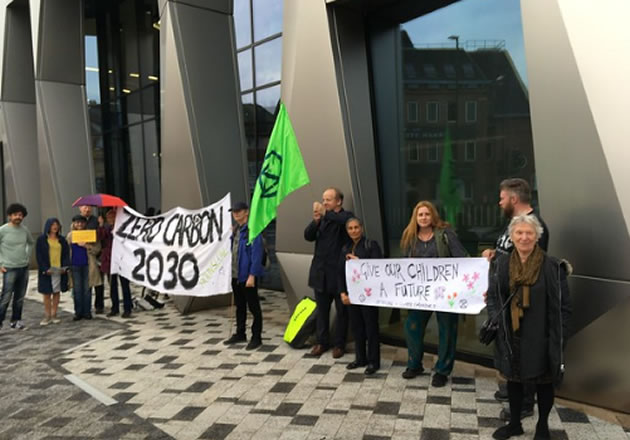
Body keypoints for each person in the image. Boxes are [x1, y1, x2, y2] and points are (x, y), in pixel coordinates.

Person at [488, 214, 571, 440]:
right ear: (512, 237)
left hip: (542, 335)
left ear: (537, 237)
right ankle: (515, 423)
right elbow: (494, 297)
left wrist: (558, 337)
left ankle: (542, 426)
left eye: (529, 233)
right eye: (519, 233)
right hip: (511, 334)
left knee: (544, 384)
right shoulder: (500, 264)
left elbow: (564, 307)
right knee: (513, 381)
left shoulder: (553, 267)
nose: (524, 237)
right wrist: (496, 319)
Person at [482, 178, 549, 419]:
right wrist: (493, 253)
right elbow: (506, 252)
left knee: (521, 351)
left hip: (519, 304)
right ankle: (514, 391)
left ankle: (524, 405)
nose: (499, 202)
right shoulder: (512, 224)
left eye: (502, 198)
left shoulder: (534, 226)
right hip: (503, 300)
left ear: (513, 198)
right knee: (508, 350)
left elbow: (530, 266)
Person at [400, 201, 468, 387]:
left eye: (427, 214)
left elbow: (461, 258)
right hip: (420, 294)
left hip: (445, 293)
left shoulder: (446, 235)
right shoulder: (410, 237)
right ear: (415, 217)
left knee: (446, 330)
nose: (423, 218)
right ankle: (414, 364)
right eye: (420, 214)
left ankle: (442, 370)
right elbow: (403, 266)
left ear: (433, 216)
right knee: (412, 326)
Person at [304, 187, 353, 358]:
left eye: (328, 200)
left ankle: (339, 344)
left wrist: (325, 213)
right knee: (322, 311)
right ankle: (321, 342)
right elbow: (308, 236)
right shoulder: (323, 219)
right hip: (320, 273)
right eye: (323, 199)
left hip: (338, 275)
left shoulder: (346, 217)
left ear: (338, 201)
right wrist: (316, 221)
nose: (324, 203)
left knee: (341, 313)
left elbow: (343, 221)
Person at [338, 217, 383, 375]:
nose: (353, 231)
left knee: (371, 328)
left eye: (356, 227)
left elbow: (379, 267)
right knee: (357, 327)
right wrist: (342, 292)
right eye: (350, 228)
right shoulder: (345, 248)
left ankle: (373, 361)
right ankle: (360, 358)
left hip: (369, 294)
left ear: (362, 228)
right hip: (352, 295)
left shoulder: (371, 245)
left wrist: (360, 262)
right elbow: (340, 272)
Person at [223, 201, 265, 350]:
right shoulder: (236, 230)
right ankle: (240, 332)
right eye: (234, 212)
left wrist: (252, 275)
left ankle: (256, 336)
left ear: (246, 212)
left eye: (239, 211)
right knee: (239, 306)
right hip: (236, 275)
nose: (236, 214)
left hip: (247, 276)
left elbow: (256, 255)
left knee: (253, 307)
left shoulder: (253, 230)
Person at [0, 203, 35, 330]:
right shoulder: (3, 230)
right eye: (15, 214)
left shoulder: (25, 230)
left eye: (20, 215)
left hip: (23, 267)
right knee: (6, 296)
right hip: (9, 268)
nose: (18, 217)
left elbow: (31, 243)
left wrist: (27, 255)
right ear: (10, 216)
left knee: (20, 297)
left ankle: (16, 320)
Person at [35, 218, 70, 325]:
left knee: (56, 291)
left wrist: (65, 267)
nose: (55, 227)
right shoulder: (41, 239)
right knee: (46, 293)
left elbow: (66, 254)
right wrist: (45, 269)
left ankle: (54, 314)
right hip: (47, 270)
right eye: (53, 225)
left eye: (57, 224)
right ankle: (47, 315)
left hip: (59, 269)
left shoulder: (62, 240)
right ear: (48, 226)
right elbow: (39, 256)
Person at [99, 209, 132, 318]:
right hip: (110, 261)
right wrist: (101, 225)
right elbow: (100, 237)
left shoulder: (123, 229)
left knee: (124, 285)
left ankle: (127, 308)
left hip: (122, 259)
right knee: (112, 285)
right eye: (109, 218)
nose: (111, 220)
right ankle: (115, 308)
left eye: (113, 217)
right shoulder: (106, 229)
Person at [67, 215, 101, 320]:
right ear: (73, 224)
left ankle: (87, 311)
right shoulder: (70, 235)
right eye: (77, 223)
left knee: (87, 289)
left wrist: (86, 246)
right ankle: (78, 312)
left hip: (88, 265)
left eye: (81, 223)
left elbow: (97, 249)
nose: (79, 225)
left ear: (85, 224)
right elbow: (66, 250)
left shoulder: (90, 234)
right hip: (75, 265)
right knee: (77, 289)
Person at [79, 205, 105, 314]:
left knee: (99, 283)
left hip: (96, 254)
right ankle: (86, 306)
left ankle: (99, 305)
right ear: (80, 208)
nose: (87, 209)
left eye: (89, 207)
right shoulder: (77, 220)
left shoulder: (96, 220)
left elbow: (100, 236)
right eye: (85, 207)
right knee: (85, 283)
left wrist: (101, 225)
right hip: (82, 255)